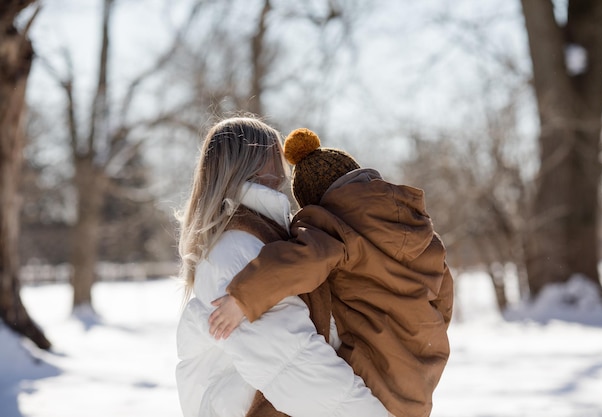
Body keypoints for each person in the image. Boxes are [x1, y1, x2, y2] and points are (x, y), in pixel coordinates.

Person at [209, 128, 454, 417]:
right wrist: (422, 330)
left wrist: (243, 297)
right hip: (424, 366)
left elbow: (301, 259)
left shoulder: (335, 225)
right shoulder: (421, 231)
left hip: (375, 368)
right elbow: (444, 296)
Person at [175, 117, 387, 417]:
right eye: (275, 153)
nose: (285, 165)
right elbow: (292, 361)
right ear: (253, 161)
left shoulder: (264, 234)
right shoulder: (238, 247)